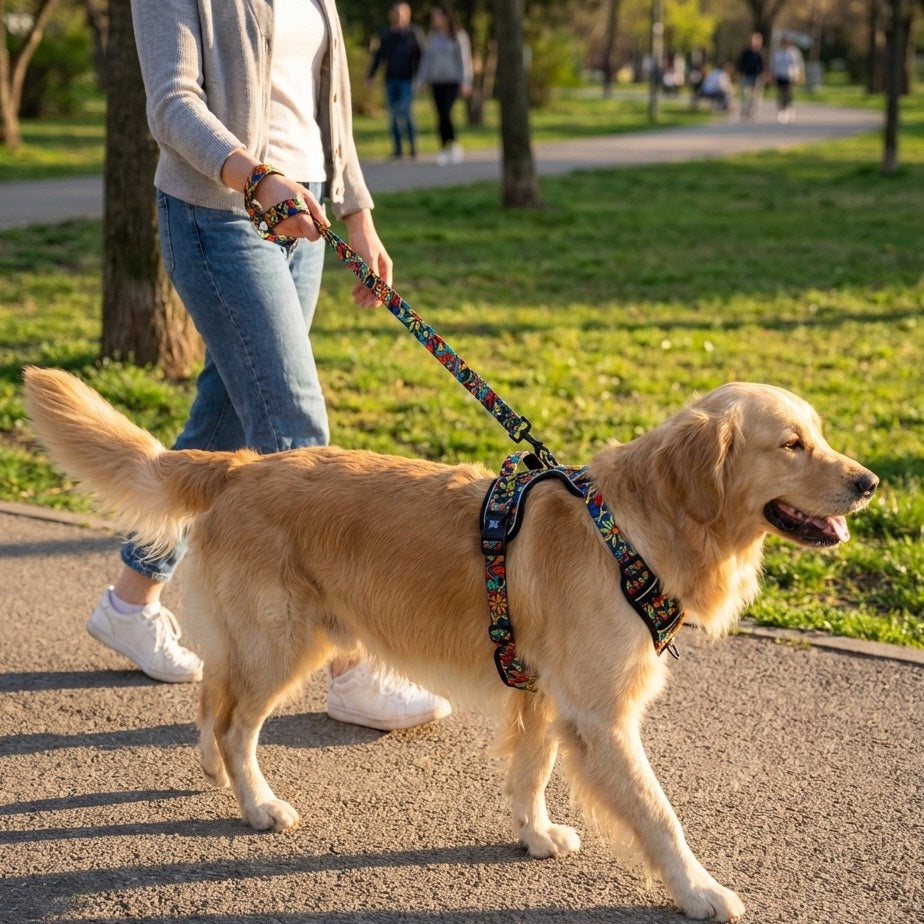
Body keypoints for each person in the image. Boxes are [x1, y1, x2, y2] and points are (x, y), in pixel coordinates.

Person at [89, 0, 451, 732]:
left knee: (226, 416)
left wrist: (357, 213)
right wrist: (254, 177)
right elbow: (171, 101)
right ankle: (352, 670)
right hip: (219, 212)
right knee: (294, 424)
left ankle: (130, 600)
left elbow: (329, 102)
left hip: (305, 213)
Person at [417, 3, 473, 165]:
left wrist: (466, 82)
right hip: (437, 82)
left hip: (452, 82)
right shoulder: (433, 38)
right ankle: (443, 147)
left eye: (438, 16)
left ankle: (453, 144)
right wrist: (421, 80)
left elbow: (465, 60)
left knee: (445, 112)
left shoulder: (458, 36)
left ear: (447, 17)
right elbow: (426, 61)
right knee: (439, 115)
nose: (435, 20)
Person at [366, 3, 422, 161]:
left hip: (408, 80)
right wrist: (370, 76)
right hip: (391, 80)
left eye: (403, 13)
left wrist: (419, 79)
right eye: (397, 13)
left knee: (404, 111)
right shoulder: (386, 35)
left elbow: (420, 58)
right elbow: (378, 57)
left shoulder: (414, 34)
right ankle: (398, 150)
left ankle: (413, 148)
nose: (400, 17)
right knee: (393, 115)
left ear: (408, 15)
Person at [771, 36, 804, 123]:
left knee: (789, 94)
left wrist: (798, 75)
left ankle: (789, 109)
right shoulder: (777, 53)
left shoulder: (793, 53)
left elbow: (798, 64)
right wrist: (772, 75)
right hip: (780, 76)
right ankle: (781, 111)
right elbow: (774, 65)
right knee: (781, 94)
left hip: (790, 76)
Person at [737, 32, 765, 120]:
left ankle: (753, 113)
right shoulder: (746, 52)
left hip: (757, 77)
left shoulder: (761, 53)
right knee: (746, 95)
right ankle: (745, 112)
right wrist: (740, 74)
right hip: (747, 76)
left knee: (755, 96)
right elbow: (740, 64)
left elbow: (763, 66)